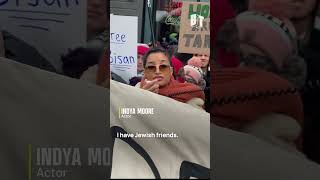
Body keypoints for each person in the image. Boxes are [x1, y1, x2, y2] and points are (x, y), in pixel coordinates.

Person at [137, 47, 205, 109]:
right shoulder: (135, 91)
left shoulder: (191, 95)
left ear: (171, 71)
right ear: (145, 71)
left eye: (163, 66)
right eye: (151, 67)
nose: (157, 71)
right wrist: (142, 99)